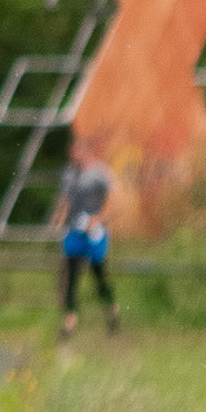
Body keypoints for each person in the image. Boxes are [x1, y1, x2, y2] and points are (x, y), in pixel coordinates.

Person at [52, 134, 120, 339]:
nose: (73, 156)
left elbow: (117, 201)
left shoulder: (101, 174)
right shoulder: (68, 173)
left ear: (86, 152)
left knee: (98, 275)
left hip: (95, 232)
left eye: (76, 152)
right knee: (71, 274)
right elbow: (64, 198)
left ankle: (112, 312)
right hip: (74, 230)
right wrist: (58, 217)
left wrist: (99, 219)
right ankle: (70, 320)